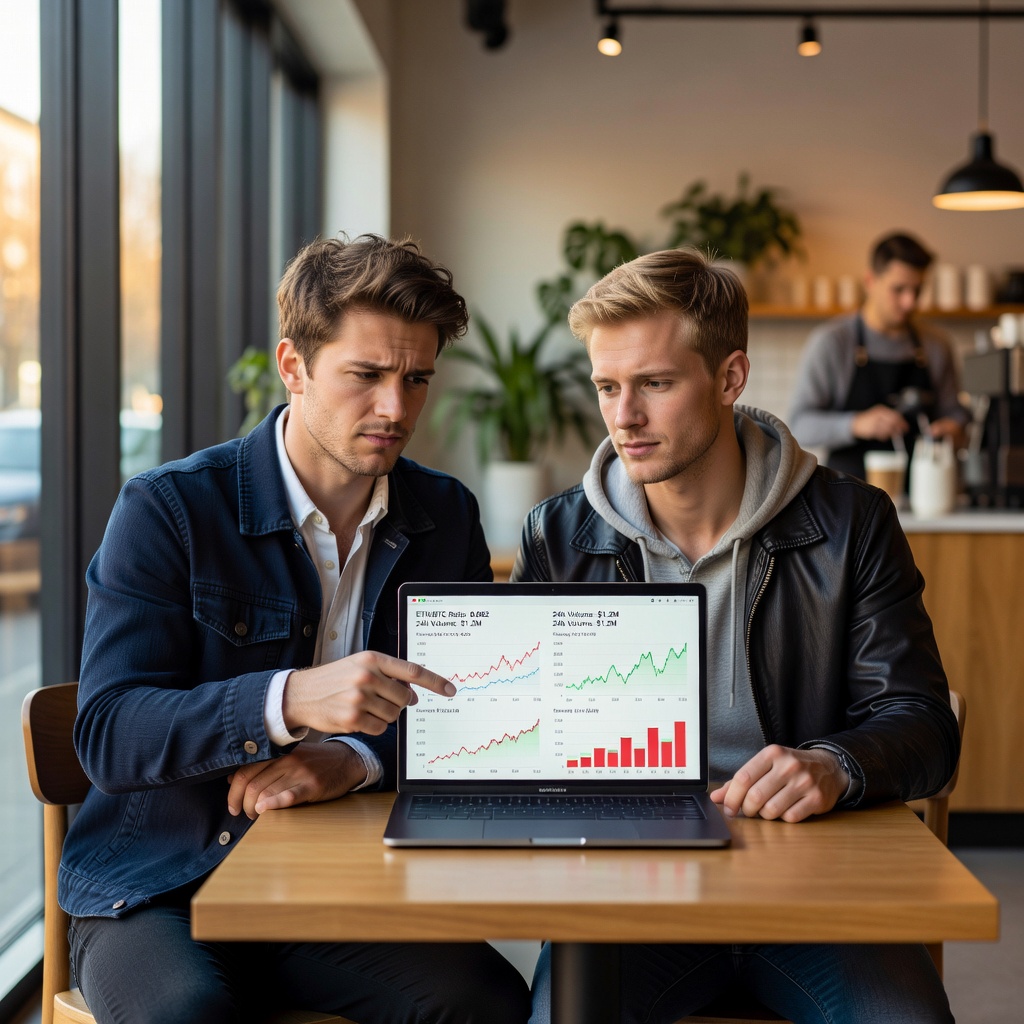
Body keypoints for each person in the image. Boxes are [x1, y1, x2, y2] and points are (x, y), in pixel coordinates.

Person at [62, 235, 531, 1024]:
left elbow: (471, 713)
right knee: (186, 1016)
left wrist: (351, 759)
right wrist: (286, 701)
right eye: (367, 376)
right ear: (294, 366)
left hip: (335, 889)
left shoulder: (443, 515)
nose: (396, 408)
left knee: (484, 1004)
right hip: (156, 886)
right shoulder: (168, 510)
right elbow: (109, 734)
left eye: (417, 379)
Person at [512, 247, 960, 1024]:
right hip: (630, 900)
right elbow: (525, 741)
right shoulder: (559, 534)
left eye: (654, 383)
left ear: (729, 378)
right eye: (608, 388)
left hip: (813, 890)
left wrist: (834, 764)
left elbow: (924, 725)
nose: (624, 416)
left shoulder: (850, 525)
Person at [789, 232, 968, 480]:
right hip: (846, 502)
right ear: (870, 281)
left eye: (917, 290)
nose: (910, 303)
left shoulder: (936, 346)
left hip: (922, 499)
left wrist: (953, 429)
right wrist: (855, 424)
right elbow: (799, 425)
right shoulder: (832, 342)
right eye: (899, 290)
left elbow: (956, 417)